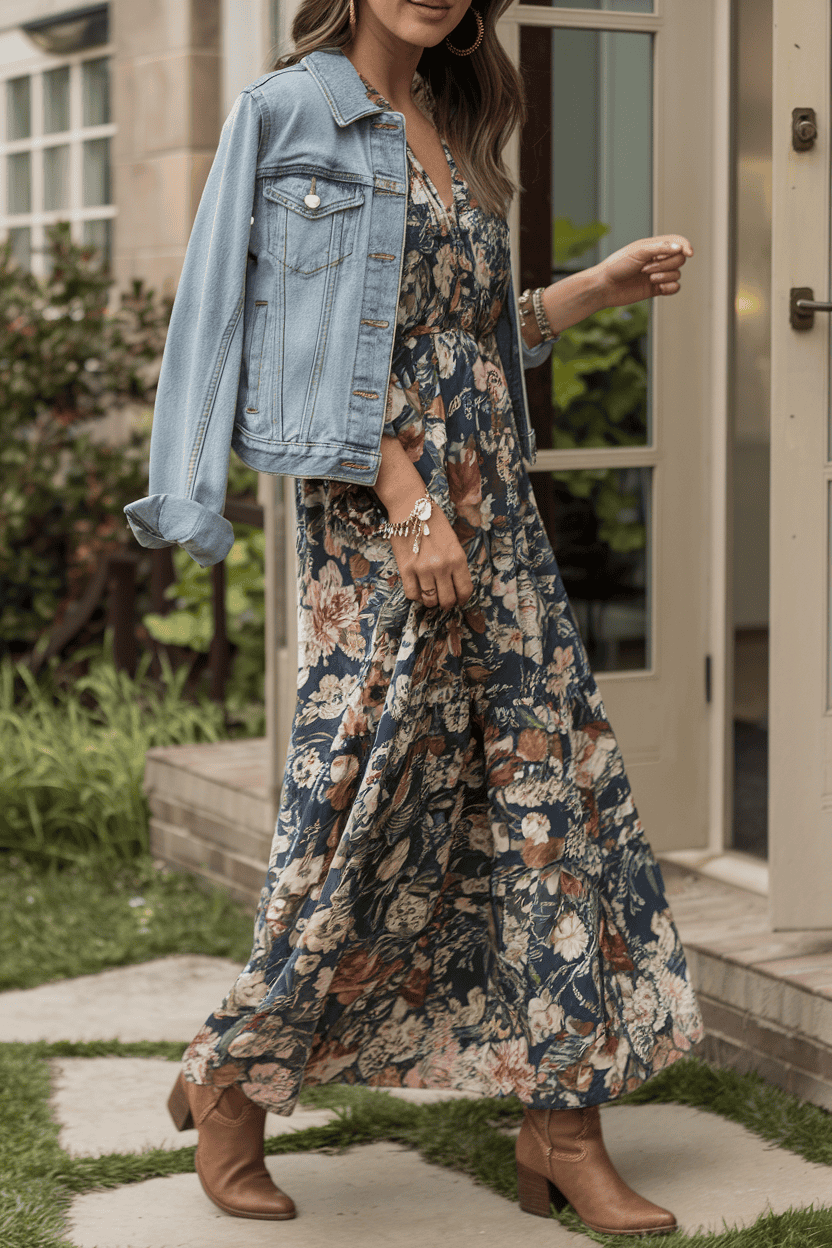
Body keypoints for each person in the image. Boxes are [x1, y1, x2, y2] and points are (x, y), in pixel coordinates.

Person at [125, 0, 703, 1236]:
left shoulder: (449, 118)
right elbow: (266, 338)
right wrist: (402, 500)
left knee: (547, 802)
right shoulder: (285, 111)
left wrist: (589, 291)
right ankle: (232, 1078)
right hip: (383, 522)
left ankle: (561, 1123)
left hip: (498, 517)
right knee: (362, 802)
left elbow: (468, 346)